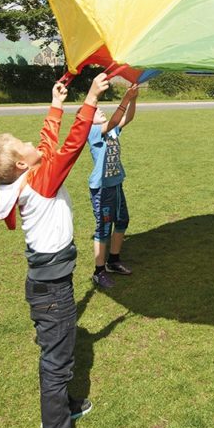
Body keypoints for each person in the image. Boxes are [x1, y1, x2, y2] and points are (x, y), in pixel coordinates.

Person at [0, 74, 110, 428]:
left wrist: (56, 104)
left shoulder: (27, 177)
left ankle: (62, 409)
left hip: (47, 283)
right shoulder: (41, 182)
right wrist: (88, 100)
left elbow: (49, 146)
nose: (34, 144)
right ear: (21, 163)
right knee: (57, 362)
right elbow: (68, 148)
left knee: (59, 351)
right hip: (51, 289)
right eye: (25, 146)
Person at [85, 82, 140, 289]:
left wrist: (133, 99)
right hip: (102, 188)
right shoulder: (92, 130)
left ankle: (113, 261)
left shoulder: (113, 131)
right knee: (104, 227)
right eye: (96, 109)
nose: (99, 109)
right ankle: (99, 272)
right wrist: (125, 99)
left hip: (116, 183)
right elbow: (116, 118)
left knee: (122, 220)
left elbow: (128, 118)